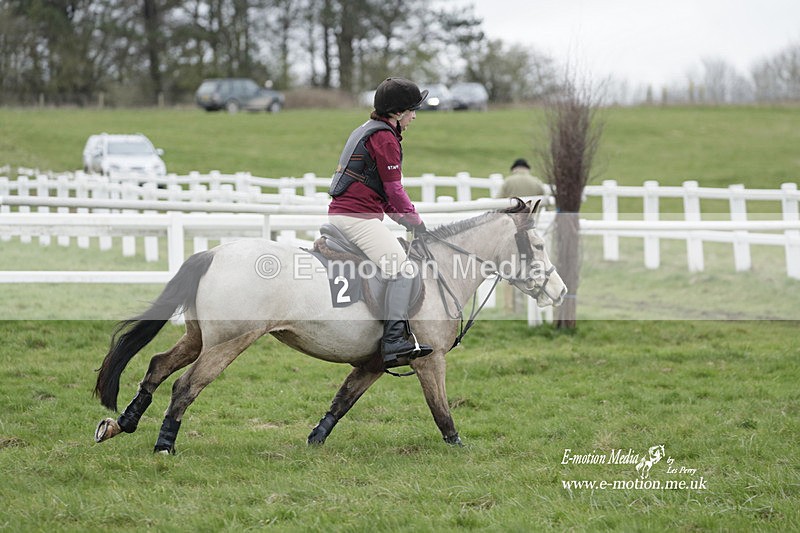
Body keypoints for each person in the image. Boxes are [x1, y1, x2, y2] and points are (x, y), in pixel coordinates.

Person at [328, 77, 433, 367]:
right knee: (404, 271)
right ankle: (394, 341)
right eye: (412, 110)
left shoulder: (368, 129)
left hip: (346, 214)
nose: (414, 116)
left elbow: (385, 196)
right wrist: (417, 220)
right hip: (357, 218)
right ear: (398, 113)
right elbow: (395, 190)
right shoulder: (385, 137)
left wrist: (407, 221)